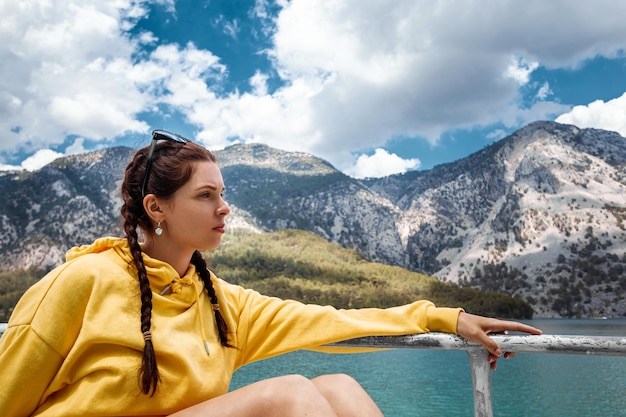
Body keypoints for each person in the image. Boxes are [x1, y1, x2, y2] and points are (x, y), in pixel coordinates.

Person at [0, 130, 541, 417]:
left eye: (224, 194)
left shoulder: (219, 300)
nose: (224, 209)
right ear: (156, 208)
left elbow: (332, 320)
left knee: (338, 386)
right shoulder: (84, 280)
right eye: (206, 195)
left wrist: (445, 316)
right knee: (286, 396)